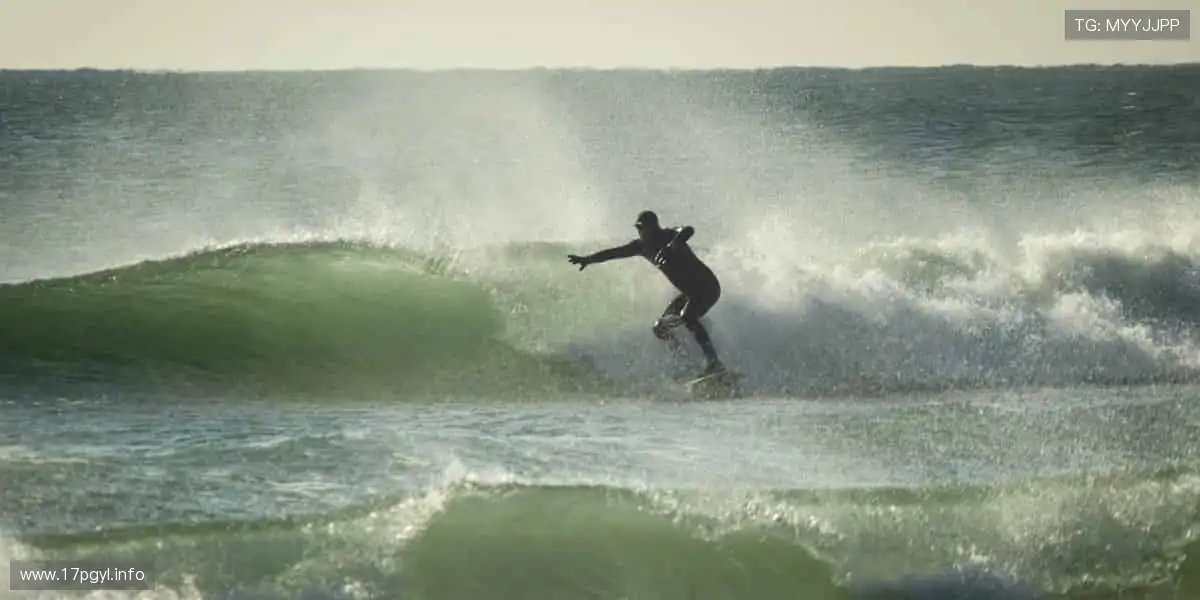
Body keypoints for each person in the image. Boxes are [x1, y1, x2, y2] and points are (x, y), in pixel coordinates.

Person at [568, 210, 725, 375]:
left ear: (654, 227)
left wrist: (675, 243)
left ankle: (714, 363)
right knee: (660, 329)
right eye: (638, 228)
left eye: (642, 228)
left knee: (688, 316)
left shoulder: (669, 235)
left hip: (708, 287)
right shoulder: (641, 246)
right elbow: (613, 253)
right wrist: (587, 260)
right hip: (690, 294)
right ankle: (686, 364)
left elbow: (688, 230)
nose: (640, 231)